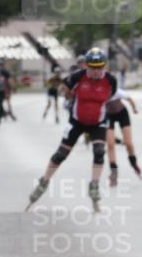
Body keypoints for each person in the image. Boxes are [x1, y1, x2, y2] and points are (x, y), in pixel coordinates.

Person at [25, 47, 117, 212]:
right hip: (77, 121)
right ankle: (44, 181)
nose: (96, 71)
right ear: (86, 66)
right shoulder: (78, 76)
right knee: (61, 154)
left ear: (104, 66)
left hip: (98, 122)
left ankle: (94, 185)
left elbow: (111, 96)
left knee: (98, 151)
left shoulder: (110, 80)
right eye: (92, 67)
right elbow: (63, 88)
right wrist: (68, 94)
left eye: (99, 67)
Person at [105, 85, 141, 186]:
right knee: (110, 144)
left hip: (122, 114)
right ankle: (114, 172)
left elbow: (130, 99)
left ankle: (133, 163)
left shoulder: (117, 91)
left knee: (128, 143)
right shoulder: (100, 91)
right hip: (108, 116)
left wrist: (134, 109)